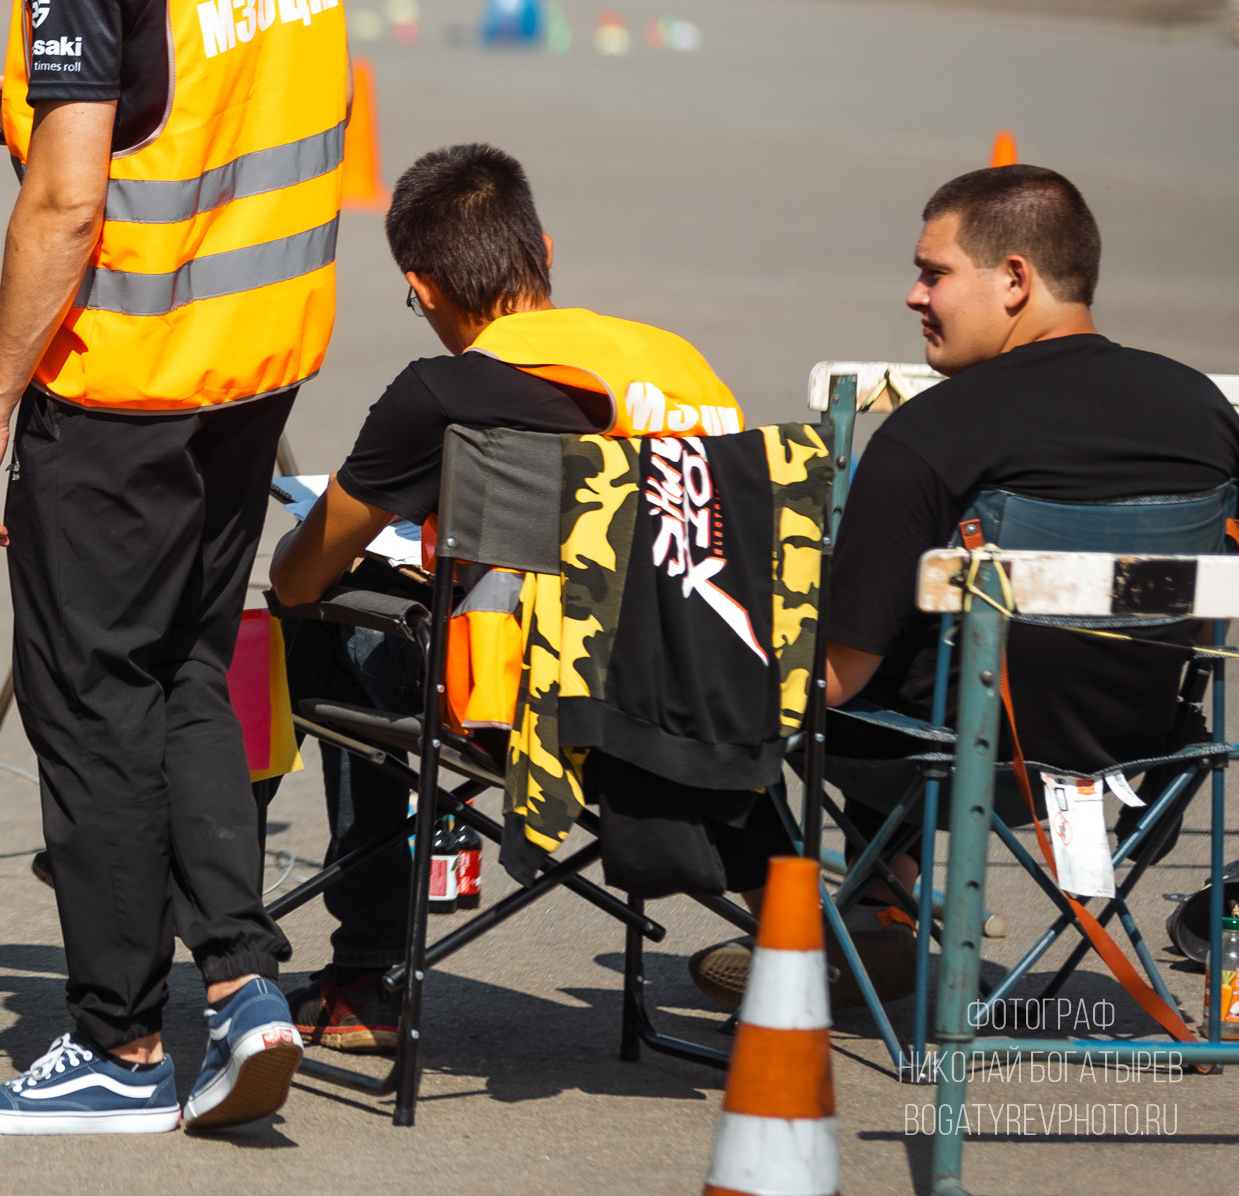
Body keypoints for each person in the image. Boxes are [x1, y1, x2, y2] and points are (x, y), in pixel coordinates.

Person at [0, 0, 345, 1137]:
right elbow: (214, 101)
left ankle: (111, 1044)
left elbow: (73, 201)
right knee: (185, 672)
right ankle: (240, 984)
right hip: (256, 371)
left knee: (90, 700)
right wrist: (44, 117)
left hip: (125, 386)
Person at [685, 164, 1239, 1007]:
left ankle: (817, 930)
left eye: (934, 272)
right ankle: (879, 909)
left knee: (744, 658)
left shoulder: (933, 431)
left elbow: (835, 679)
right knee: (924, 636)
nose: (914, 294)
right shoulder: (1201, 410)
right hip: (1136, 750)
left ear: (1015, 277)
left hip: (961, 754)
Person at [265, 144, 747, 1052]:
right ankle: (799, 922)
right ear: (546, 250)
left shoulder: (442, 395)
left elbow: (300, 574)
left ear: (426, 286)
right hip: (704, 697)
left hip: (531, 710)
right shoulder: (681, 364)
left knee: (321, 617)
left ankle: (366, 973)